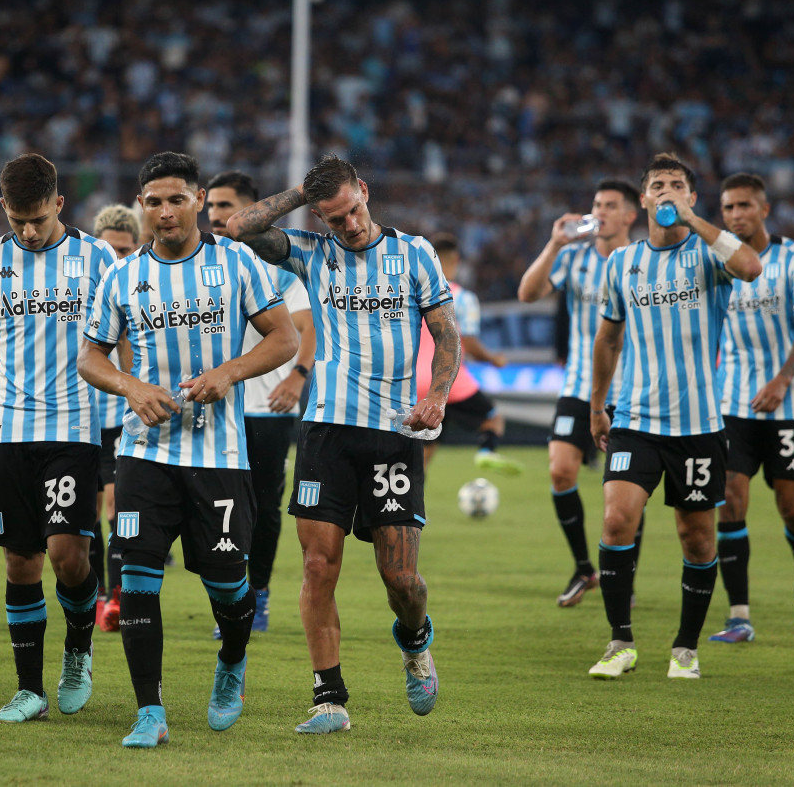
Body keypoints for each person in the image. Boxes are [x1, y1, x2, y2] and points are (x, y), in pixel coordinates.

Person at [228, 154, 460, 735]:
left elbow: (446, 332)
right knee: (316, 565)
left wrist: (438, 392)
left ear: (364, 191)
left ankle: (414, 642)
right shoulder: (312, 252)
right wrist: (301, 195)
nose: (348, 226)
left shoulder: (414, 253)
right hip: (326, 432)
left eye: (352, 211)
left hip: (394, 435)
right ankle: (329, 697)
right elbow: (241, 227)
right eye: (333, 218)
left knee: (401, 581)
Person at [79, 151, 297, 748]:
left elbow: (286, 337)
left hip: (220, 457)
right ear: (142, 206)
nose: (166, 211)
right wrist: (131, 387)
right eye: (154, 201)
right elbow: (90, 357)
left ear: (199, 200)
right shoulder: (121, 277)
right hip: (145, 454)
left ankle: (232, 660)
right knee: (139, 584)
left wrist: (228, 373)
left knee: (230, 586)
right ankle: (149, 711)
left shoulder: (235, 262)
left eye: (177, 198)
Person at [0, 154, 116, 723]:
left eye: (39, 218)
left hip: (75, 427)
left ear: (59, 204)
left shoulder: (96, 259)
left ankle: (78, 650)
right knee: (20, 562)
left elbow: (126, 335)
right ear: (4, 211)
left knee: (68, 555)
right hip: (9, 431)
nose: (29, 230)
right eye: (18, 220)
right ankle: (29, 690)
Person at [587, 153, 761, 682]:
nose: (666, 191)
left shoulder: (708, 254)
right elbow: (609, 337)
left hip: (698, 427)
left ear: (690, 196)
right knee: (617, 520)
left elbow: (751, 266)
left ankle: (685, 647)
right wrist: (598, 403)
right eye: (658, 185)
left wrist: (692, 220)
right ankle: (620, 642)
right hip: (636, 418)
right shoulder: (620, 264)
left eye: (678, 185)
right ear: (642, 199)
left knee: (696, 538)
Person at [709, 173, 794, 643]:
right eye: (729, 207)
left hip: (789, 406)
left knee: (793, 510)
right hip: (732, 405)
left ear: (764, 209)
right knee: (730, 502)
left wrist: (782, 379)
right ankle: (739, 616)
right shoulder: (715, 261)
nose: (736, 215)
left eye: (744, 206)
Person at [517, 181, 642, 607]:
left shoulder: (642, 263)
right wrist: (553, 244)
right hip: (578, 386)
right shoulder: (573, 257)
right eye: (596, 204)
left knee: (629, 490)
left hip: (628, 389)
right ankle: (584, 568)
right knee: (560, 472)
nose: (601, 212)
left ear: (630, 216)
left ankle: (621, 575)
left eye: (611, 206)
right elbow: (527, 293)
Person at [207, 170, 315, 637]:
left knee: (266, 507)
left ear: (250, 212)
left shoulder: (276, 267)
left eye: (225, 207)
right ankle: (231, 597)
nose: (214, 216)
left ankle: (261, 594)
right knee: (221, 505)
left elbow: (306, 328)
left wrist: (297, 376)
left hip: (267, 407)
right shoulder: (202, 263)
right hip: (220, 404)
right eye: (210, 207)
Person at [425, 233, 523, 476]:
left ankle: (410, 506)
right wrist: (493, 359)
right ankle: (485, 452)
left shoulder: (415, 294)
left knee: (423, 452)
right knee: (492, 418)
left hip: (416, 384)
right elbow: (467, 343)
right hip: (451, 381)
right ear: (456, 260)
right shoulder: (462, 297)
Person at [89, 203, 142, 633]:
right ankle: (92, 595)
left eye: (125, 250)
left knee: (114, 506)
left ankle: (114, 596)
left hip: (118, 418)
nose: (117, 258)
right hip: (78, 415)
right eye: (111, 249)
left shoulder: (136, 287)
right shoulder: (87, 284)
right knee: (84, 513)